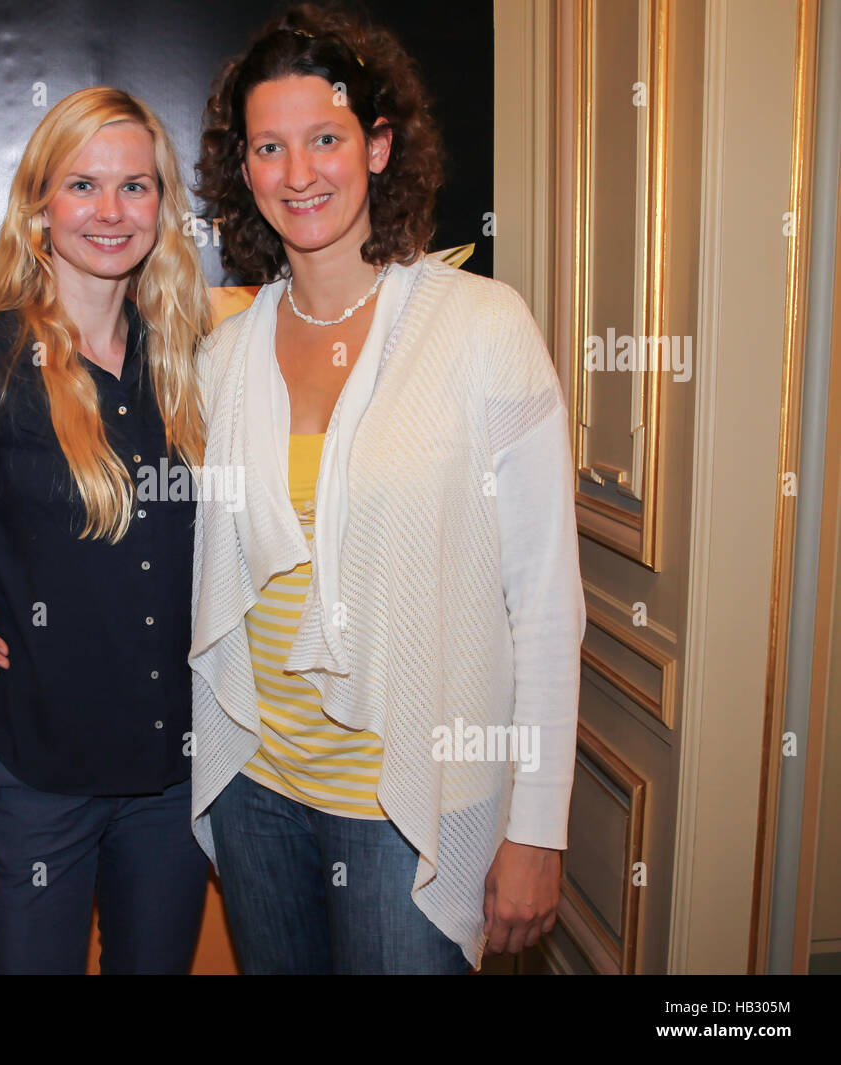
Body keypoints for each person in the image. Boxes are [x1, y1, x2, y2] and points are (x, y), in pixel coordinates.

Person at [181, 3, 586, 974]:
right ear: (244, 172)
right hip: (256, 789)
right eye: (269, 147)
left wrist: (536, 826)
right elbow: (166, 555)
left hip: (405, 804)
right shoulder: (220, 358)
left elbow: (542, 598)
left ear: (376, 144)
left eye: (324, 138)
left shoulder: (482, 325)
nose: (298, 171)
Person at [0, 86, 212, 974]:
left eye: (136, 187)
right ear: (40, 205)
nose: (111, 212)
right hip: (32, 790)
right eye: (83, 185)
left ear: (162, 205)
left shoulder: (192, 364)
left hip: (172, 787)